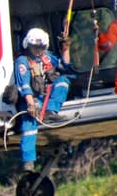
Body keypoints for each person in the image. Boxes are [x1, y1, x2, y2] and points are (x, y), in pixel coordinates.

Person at [14, 27, 76, 171]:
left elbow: (64, 65)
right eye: (35, 47)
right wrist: (30, 104)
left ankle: (50, 112)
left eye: (41, 47)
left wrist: (66, 48)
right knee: (29, 126)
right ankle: (28, 161)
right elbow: (23, 85)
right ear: (28, 45)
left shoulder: (46, 57)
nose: (38, 50)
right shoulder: (22, 62)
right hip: (29, 99)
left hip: (45, 97)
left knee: (62, 81)